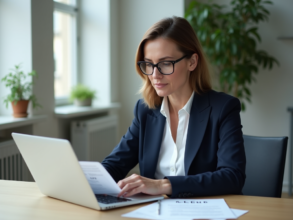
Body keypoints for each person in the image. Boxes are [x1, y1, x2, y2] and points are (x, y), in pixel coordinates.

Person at [102, 16, 246, 198]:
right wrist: (88, 179)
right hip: (152, 212)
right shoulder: (146, 110)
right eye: (149, 64)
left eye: (165, 63)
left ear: (192, 62)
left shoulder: (223, 108)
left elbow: (232, 176)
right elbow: (115, 164)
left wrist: (163, 185)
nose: (155, 75)